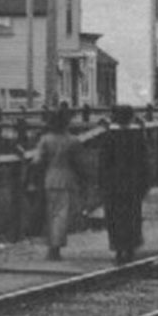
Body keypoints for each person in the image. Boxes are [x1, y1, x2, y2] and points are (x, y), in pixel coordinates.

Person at [30, 107, 90, 260]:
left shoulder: (45, 140)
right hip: (66, 178)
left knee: (51, 213)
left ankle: (52, 244)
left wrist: (33, 179)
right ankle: (55, 247)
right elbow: (79, 163)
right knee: (61, 214)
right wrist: (84, 179)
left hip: (49, 178)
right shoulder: (72, 141)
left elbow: (37, 161)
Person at [98, 104, 152, 265]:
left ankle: (118, 248)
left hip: (114, 185)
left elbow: (103, 164)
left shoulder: (109, 137)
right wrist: (145, 184)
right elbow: (145, 163)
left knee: (115, 216)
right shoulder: (137, 137)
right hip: (133, 184)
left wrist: (102, 184)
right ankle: (130, 247)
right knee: (132, 215)